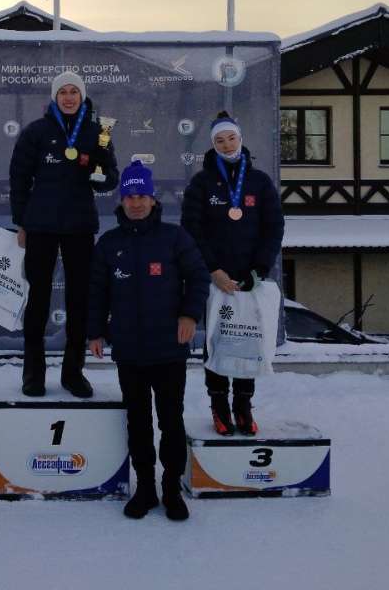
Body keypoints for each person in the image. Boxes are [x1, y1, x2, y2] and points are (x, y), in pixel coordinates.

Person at [87, 161, 210, 520]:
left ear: (153, 199)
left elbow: (199, 277)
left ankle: (172, 489)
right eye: (130, 196)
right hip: (130, 351)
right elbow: (96, 291)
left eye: (142, 195)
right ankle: (145, 489)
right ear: (121, 200)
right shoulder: (109, 244)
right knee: (138, 422)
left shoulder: (175, 238)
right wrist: (95, 331)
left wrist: (189, 315)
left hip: (169, 350)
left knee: (171, 421)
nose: (136, 202)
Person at [9, 71, 119, 397]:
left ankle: (73, 373)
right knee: (38, 302)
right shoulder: (36, 132)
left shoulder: (98, 132)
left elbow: (110, 178)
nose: (69, 97)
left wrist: (94, 170)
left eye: (75, 92)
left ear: (82, 96)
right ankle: (34, 375)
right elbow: (19, 179)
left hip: (80, 227)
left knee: (78, 302)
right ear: (55, 97)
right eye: (63, 92)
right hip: (41, 227)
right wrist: (22, 222)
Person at [181, 111, 284, 436]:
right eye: (220, 140)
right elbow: (192, 229)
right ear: (213, 144)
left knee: (246, 340)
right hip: (215, 279)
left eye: (232, 138)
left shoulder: (259, 182)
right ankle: (218, 406)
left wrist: (260, 269)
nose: (227, 144)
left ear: (240, 139)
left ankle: (243, 405)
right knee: (217, 340)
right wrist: (213, 270)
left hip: (249, 279)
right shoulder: (201, 182)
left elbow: (274, 227)